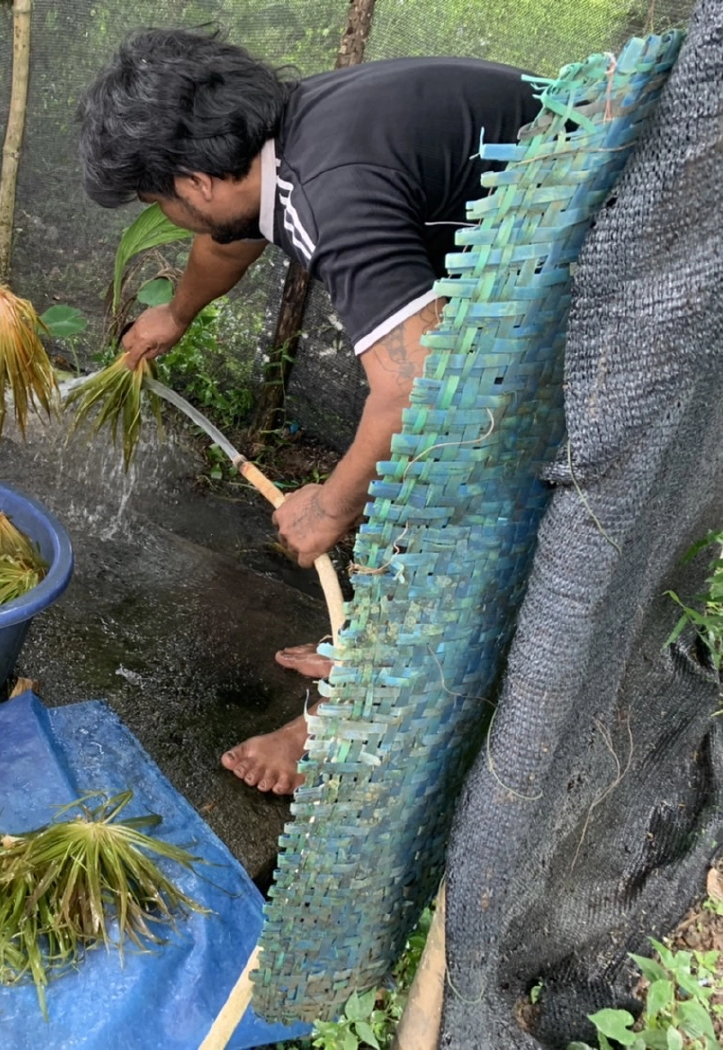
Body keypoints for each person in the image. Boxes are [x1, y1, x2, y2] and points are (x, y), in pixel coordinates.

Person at [78, 29, 541, 793]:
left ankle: (341, 717)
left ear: (193, 183)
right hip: (562, 244)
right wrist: (175, 316)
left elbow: (417, 390)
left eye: (155, 197)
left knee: (436, 487)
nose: (165, 211)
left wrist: (329, 506)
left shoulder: (331, 189)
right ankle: (367, 652)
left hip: (617, 286)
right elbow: (232, 239)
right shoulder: (293, 132)